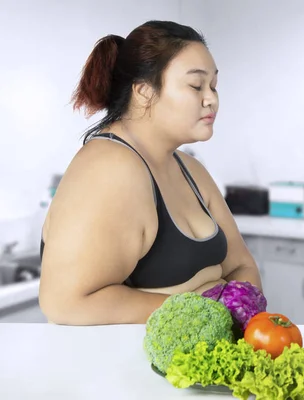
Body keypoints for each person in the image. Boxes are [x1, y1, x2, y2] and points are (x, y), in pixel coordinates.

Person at [39, 21, 262, 325]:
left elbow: (241, 265)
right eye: (196, 86)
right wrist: (201, 316)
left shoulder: (191, 169)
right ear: (144, 91)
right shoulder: (109, 167)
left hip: (204, 363)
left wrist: (241, 316)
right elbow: (65, 302)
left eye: (214, 86)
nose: (211, 99)